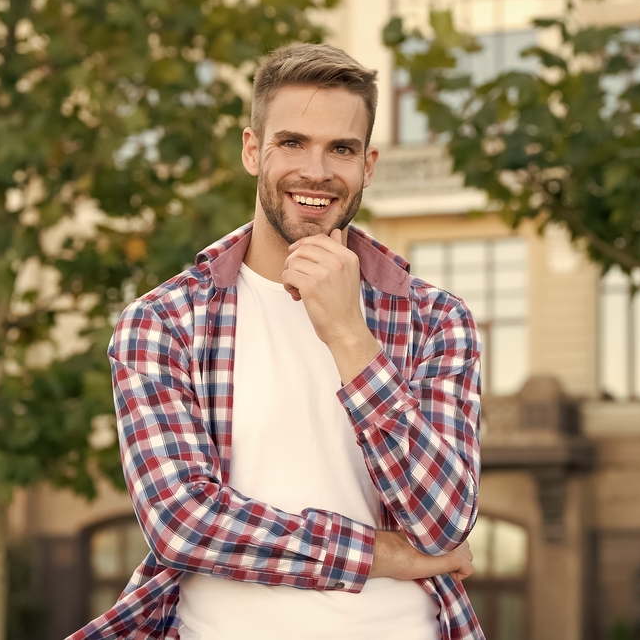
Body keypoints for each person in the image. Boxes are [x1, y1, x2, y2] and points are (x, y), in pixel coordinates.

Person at [72, 42, 483, 640]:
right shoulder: (163, 323)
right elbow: (183, 524)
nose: (316, 171)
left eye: (340, 149)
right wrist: (380, 555)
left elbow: (443, 521)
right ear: (251, 150)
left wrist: (347, 335)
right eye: (292, 143)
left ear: (367, 165)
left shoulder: (437, 320)